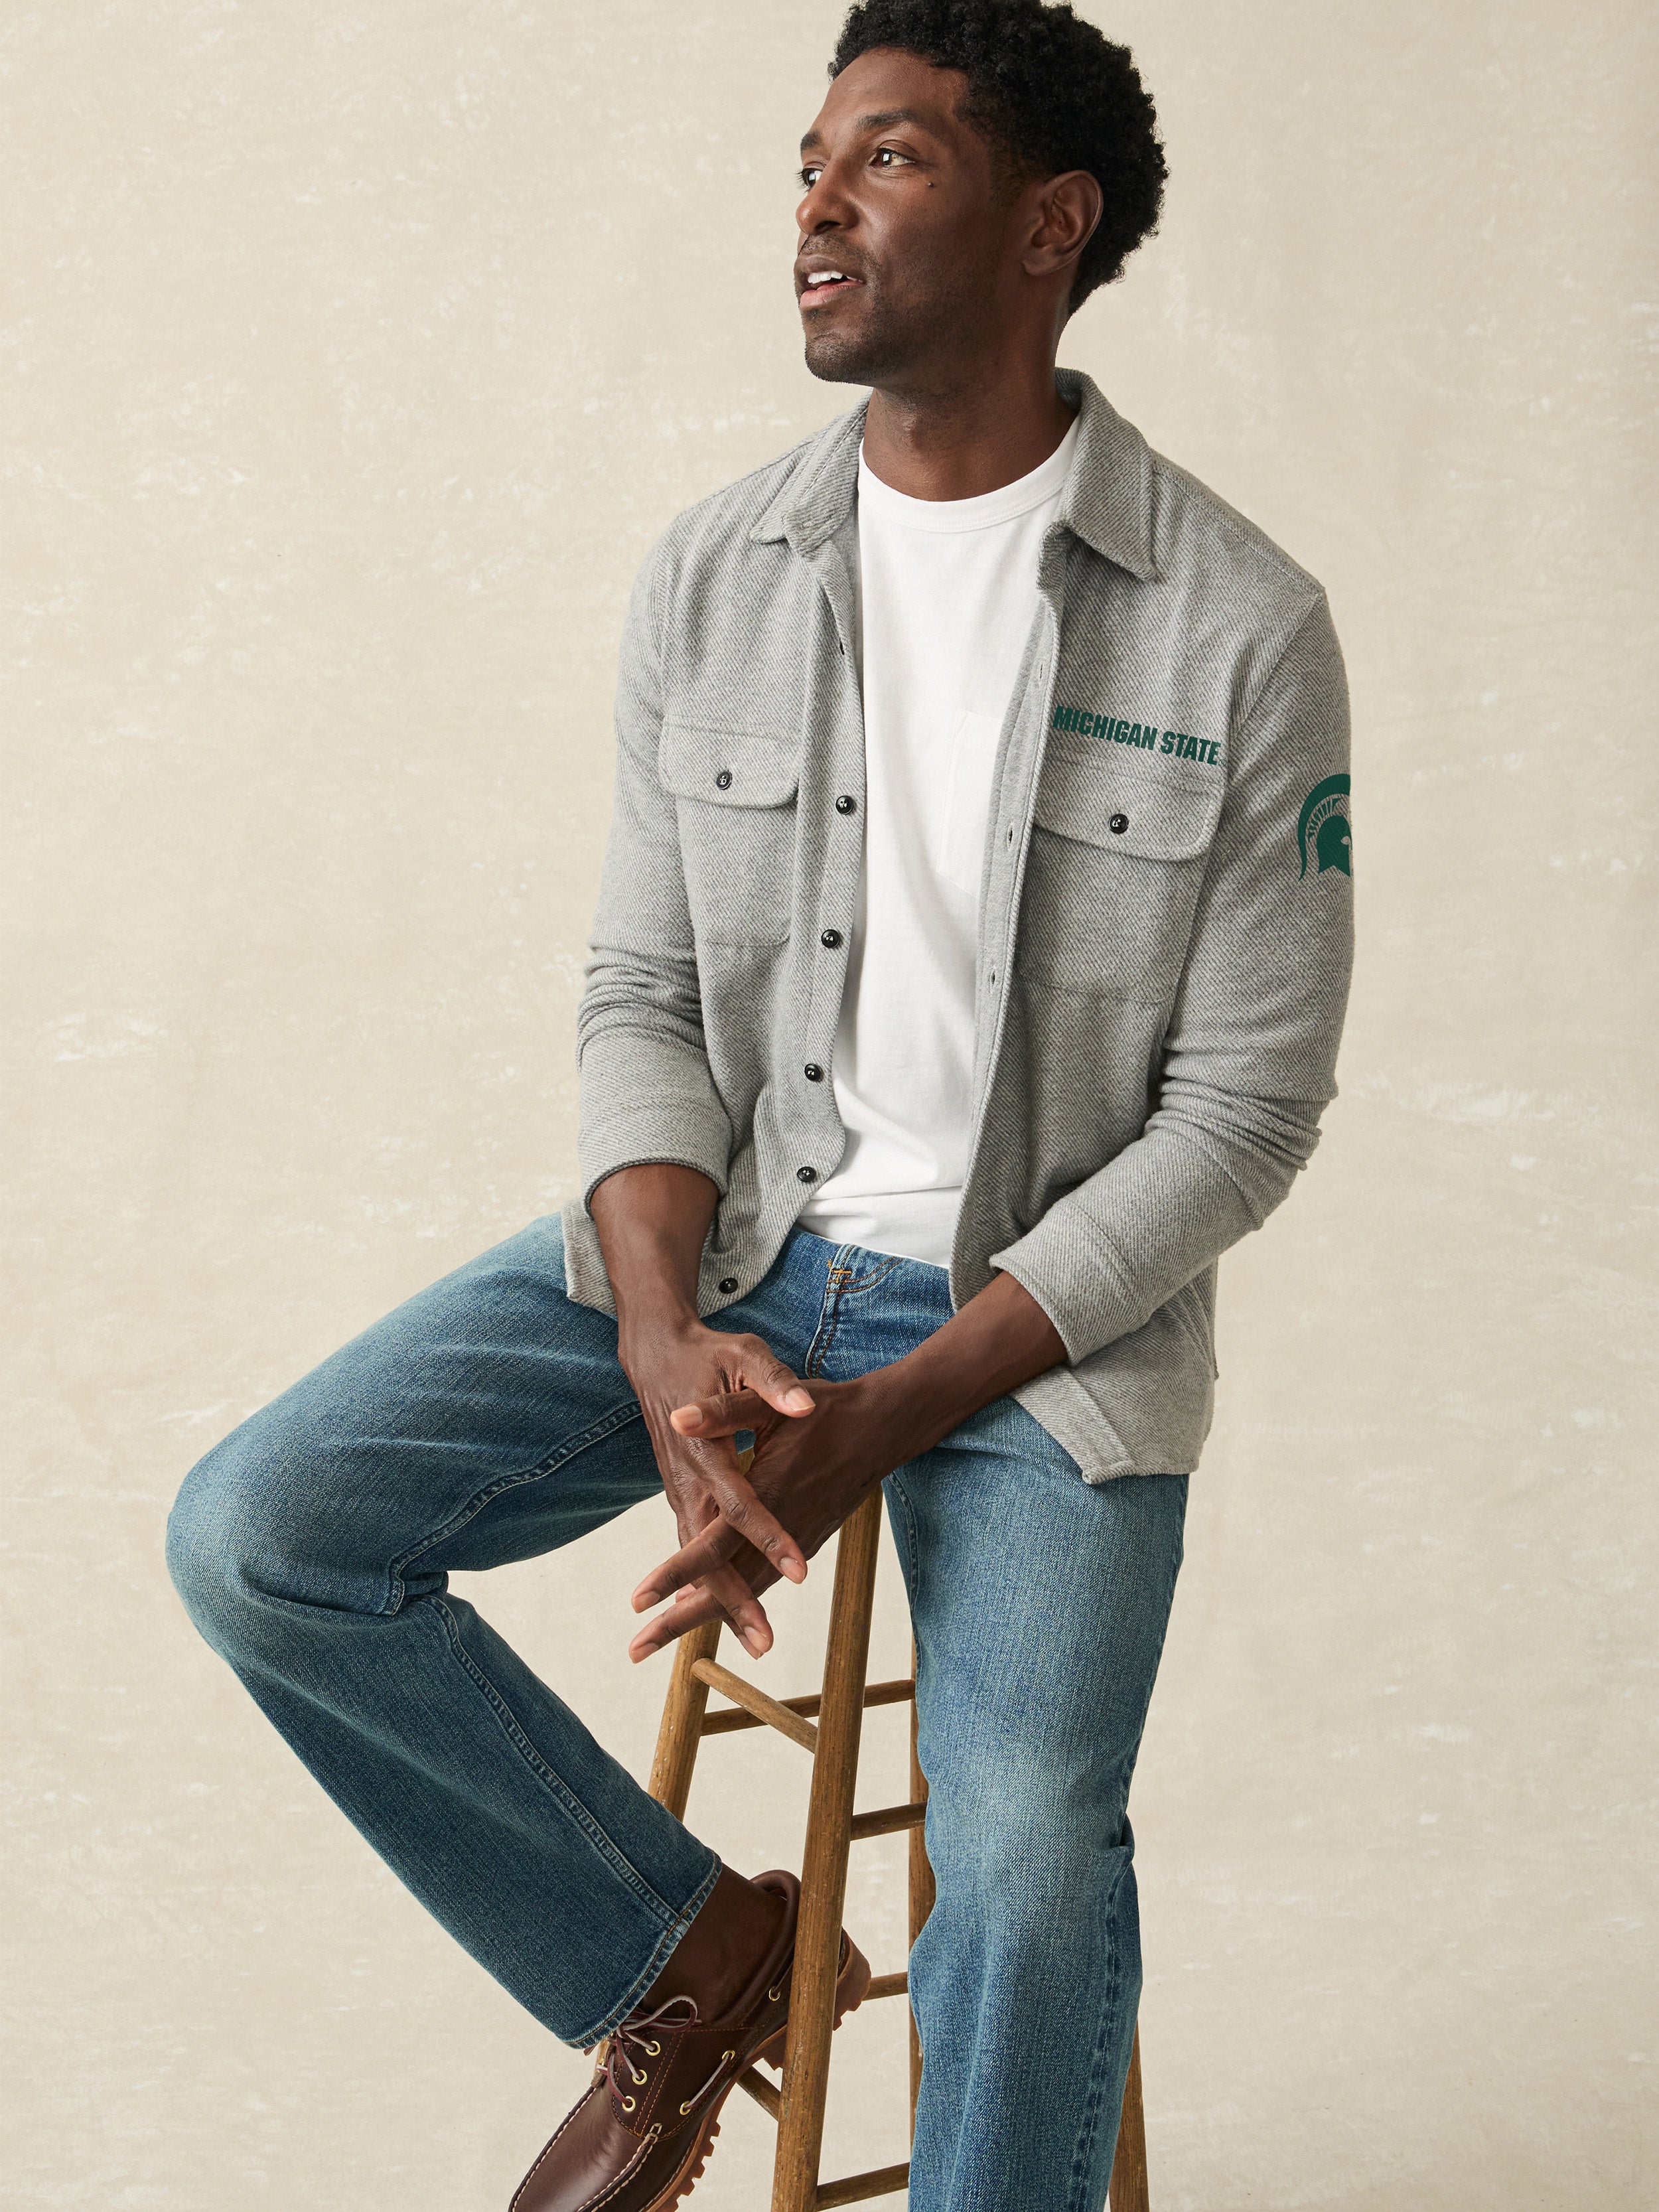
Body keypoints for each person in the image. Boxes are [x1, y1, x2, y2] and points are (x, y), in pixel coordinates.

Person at [166, 3, 1355, 2206]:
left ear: (1049, 224)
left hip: (1040, 1339)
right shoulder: (715, 572)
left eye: (886, 157)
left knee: (1022, 1853)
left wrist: (893, 1408)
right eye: (808, 160)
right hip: (731, 1257)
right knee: (263, 1536)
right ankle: (684, 1959)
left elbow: (1243, 1115)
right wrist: (653, 1335)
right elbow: (641, 994)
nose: (815, 203)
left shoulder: (1238, 627)